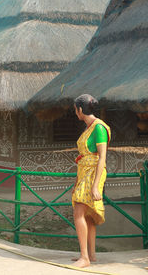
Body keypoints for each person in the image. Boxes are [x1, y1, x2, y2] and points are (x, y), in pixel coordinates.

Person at [72, 94, 111, 268]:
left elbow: (102, 157)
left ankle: (84, 257)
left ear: (80, 110)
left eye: (75, 109)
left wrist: (95, 186)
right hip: (84, 172)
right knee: (87, 215)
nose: (75, 112)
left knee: (79, 212)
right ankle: (91, 255)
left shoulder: (99, 128)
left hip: (94, 173)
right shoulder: (89, 127)